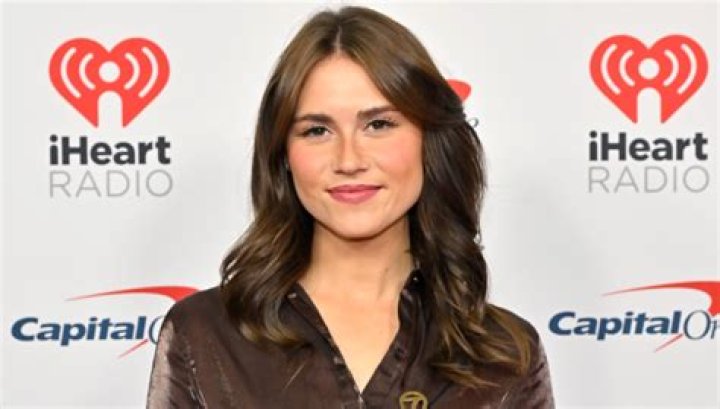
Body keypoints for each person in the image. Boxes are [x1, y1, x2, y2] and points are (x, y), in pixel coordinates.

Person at [147, 5, 554, 409]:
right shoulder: (204, 335)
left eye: (378, 125)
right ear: (283, 155)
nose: (349, 160)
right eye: (317, 130)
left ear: (430, 141)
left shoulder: (505, 357)